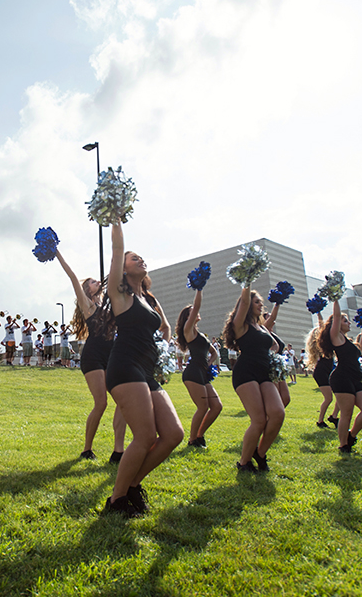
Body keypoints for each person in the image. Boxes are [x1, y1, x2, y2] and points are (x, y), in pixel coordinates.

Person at [102, 220, 182, 517]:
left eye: (141, 257)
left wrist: (165, 348)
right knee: (145, 436)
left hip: (147, 370)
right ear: (123, 269)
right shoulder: (120, 295)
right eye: (134, 258)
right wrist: (116, 219)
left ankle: (133, 485)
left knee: (173, 434)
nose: (141, 260)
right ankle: (116, 500)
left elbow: (165, 328)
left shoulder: (146, 299)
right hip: (125, 367)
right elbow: (116, 249)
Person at [53, 249, 125, 462]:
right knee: (101, 403)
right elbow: (72, 276)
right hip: (93, 356)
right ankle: (87, 449)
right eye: (93, 282)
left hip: (111, 355)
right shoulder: (87, 304)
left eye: (96, 281)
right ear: (87, 289)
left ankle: (118, 451)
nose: (97, 282)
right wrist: (56, 252)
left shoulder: (108, 304)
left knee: (124, 401)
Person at [224, 283, 285, 473]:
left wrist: (273, 358)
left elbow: (275, 345)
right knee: (258, 420)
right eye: (257, 302)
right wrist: (247, 280)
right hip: (246, 372)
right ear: (248, 304)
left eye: (261, 302)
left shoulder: (261, 327)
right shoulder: (240, 325)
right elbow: (243, 302)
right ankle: (244, 463)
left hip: (264, 372)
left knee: (278, 413)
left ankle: (260, 453)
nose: (261, 304)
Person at [319, 299, 362, 453]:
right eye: (345, 321)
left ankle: (351, 435)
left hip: (355, 378)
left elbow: (361, 346)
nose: (349, 323)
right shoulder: (336, 337)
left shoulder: (347, 340)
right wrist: (336, 298)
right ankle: (343, 445)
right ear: (337, 324)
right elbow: (336, 316)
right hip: (341, 378)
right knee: (346, 413)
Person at [175, 287, 222, 448]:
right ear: (188, 317)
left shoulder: (200, 335)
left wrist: (209, 364)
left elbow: (214, 353)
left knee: (216, 406)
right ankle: (192, 440)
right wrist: (199, 289)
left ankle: (199, 435)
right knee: (202, 407)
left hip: (203, 373)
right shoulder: (188, 330)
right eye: (192, 312)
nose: (196, 313)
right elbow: (197, 306)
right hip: (193, 372)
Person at [306, 316, 335, 429]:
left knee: (339, 395)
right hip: (321, 372)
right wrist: (318, 313)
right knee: (329, 398)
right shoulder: (322, 345)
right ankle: (320, 421)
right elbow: (322, 326)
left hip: (328, 371)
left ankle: (334, 416)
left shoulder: (328, 343)